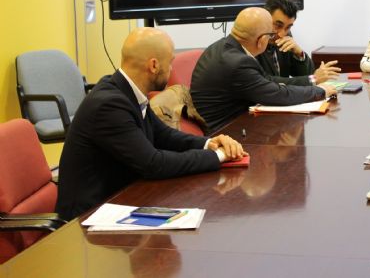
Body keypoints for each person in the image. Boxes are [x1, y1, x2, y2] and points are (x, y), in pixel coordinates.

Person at [55, 28, 246, 221]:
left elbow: (164, 136)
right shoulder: (109, 105)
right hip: (89, 218)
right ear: (154, 65)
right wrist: (217, 156)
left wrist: (209, 143)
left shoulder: (125, 91)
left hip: (120, 199)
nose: (172, 70)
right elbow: (153, 164)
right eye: (170, 63)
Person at [191, 7, 337, 132]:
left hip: (236, 123)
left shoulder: (224, 47)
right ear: (261, 40)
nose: (278, 36)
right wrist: (321, 91)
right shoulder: (238, 63)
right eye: (271, 35)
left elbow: (267, 82)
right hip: (227, 132)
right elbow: (278, 94)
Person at [256, 0, 340, 86]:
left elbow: (308, 75)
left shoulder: (286, 37)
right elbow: (263, 81)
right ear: (264, 19)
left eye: (288, 27)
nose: (281, 34)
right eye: (278, 25)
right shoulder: (252, 39)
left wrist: (299, 54)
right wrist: (313, 79)